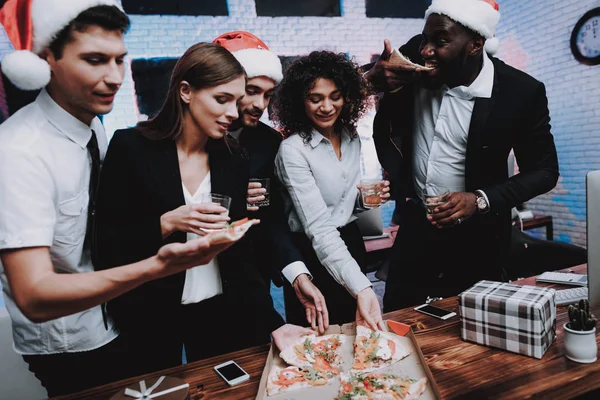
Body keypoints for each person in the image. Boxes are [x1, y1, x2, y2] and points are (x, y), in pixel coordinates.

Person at [0, 1, 238, 397]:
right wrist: (156, 266)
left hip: (115, 318)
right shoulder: (18, 151)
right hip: (70, 340)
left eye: (119, 60)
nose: (114, 77)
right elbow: (34, 296)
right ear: (47, 59)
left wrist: (164, 223)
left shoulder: (94, 129)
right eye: (95, 60)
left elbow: (105, 225)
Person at [94, 42, 312, 377]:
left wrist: (274, 324)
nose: (234, 113)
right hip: (148, 311)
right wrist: (165, 223)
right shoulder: (130, 148)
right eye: (221, 99)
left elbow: (242, 255)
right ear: (185, 91)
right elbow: (104, 246)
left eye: (236, 102)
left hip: (222, 310)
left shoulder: (233, 158)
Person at [365, 0, 560, 311]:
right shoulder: (418, 50)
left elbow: (545, 170)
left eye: (440, 42)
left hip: (480, 239)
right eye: (425, 39)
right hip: (416, 229)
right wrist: (372, 80)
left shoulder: (519, 92)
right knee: (399, 320)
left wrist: (479, 199)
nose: (426, 51)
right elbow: (365, 80)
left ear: (475, 44)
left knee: (471, 326)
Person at [213, 31, 329, 333]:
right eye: (251, 91)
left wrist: (296, 273)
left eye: (267, 94)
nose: (259, 104)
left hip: (250, 279)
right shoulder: (186, 140)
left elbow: (272, 215)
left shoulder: (268, 142)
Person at [273, 51, 389, 331]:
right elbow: (320, 228)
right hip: (311, 254)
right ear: (300, 101)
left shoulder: (352, 139)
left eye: (335, 96)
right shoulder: (292, 150)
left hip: (350, 242)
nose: (327, 106)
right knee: (319, 343)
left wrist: (363, 201)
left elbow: (342, 205)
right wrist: (361, 286)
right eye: (316, 98)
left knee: (359, 334)